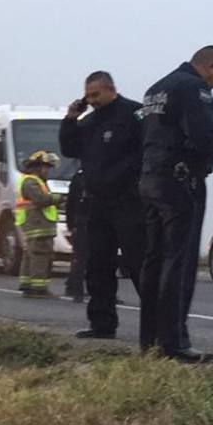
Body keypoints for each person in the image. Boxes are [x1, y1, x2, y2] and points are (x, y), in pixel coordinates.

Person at [138, 46, 213, 363]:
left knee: (154, 260)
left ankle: (150, 340)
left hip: (151, 178)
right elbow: (201, 137)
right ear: (210, 65)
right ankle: (174, 343)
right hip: (181, 181)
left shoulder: (156, 89)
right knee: (178, 263)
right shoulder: (194, 88)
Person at [59, 71, 146, 338]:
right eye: (88, 96)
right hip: (97, 204)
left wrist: (121, 177)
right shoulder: (89, 121)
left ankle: (158, 325)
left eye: (96, 95)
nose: (92, 100)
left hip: (128, 202)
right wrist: (70, 119)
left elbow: (145, 151)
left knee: (139, 264)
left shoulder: (134, 114)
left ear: (110, 89)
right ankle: (102, 324)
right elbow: (69, 149)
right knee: (97, 265)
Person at [16, 151, 61, 297]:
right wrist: (58, 198)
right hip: (38, 225)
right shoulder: (31, 182)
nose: (47, 171)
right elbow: (41, 199)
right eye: (45, 167)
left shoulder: (35, 181)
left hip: (37, 224)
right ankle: (38, 289)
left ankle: (28, 285)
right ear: (36, 168)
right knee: (40, 255)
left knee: (31, 254)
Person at [63, 168, 87, 302]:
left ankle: (74, 286)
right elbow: (71, 203)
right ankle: (77, 290)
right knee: (81, 258)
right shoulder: (80, 178)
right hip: (83, 223)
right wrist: (71, 225)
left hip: (98, 222)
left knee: (103, 258)